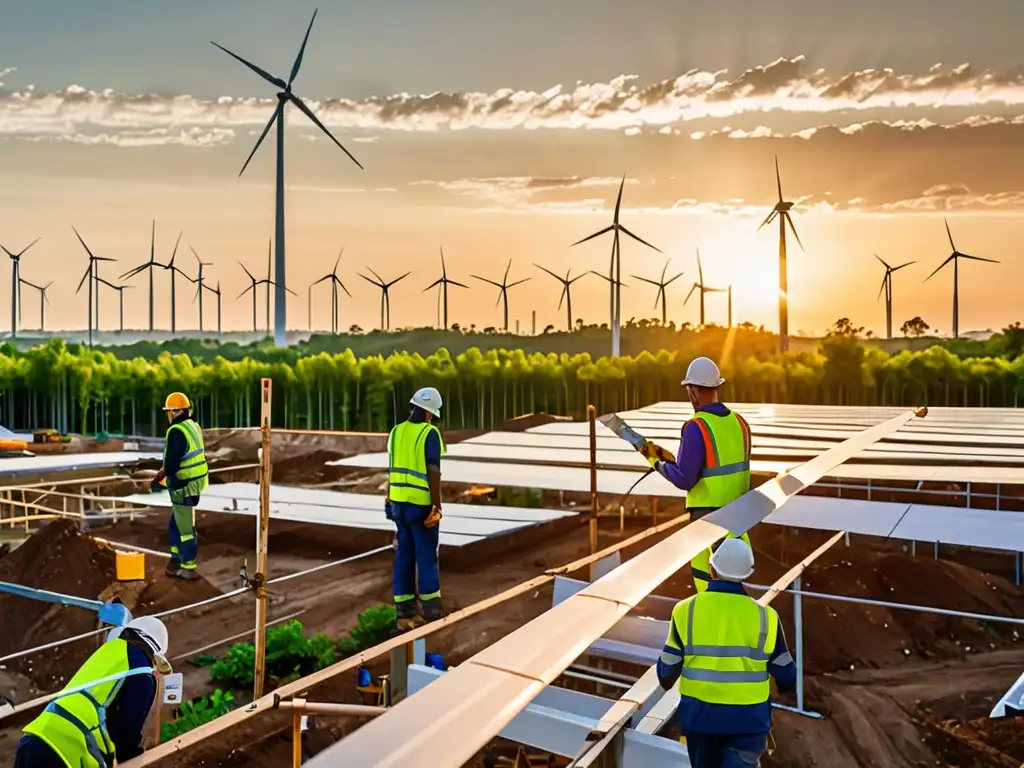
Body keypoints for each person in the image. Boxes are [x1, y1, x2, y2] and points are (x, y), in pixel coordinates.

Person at [657, 538, 795, 768]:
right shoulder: (766, 617)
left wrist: (667, 677)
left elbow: (667, 671)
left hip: (701, 719)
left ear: (711, 569)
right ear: (747, 574)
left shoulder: (685, 610)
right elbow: (787, 674)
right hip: (748, 721)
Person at [650, 357, 752, 592]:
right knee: (734, 583)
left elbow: (685, 478)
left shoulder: (696, 427)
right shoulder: (740, 423)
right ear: (716, 387)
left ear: (692, 391)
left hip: (707, 525)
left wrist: (659, 464)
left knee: (709, 588)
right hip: (739, 520)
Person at [16, 617, 170, 768]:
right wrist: (134, 758)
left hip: (34, 738)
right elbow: (127, 729)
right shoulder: (141, 673)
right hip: (65, 752)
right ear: (155, 656)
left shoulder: (107, 654)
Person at [386, 387, 446, 631]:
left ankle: (404, 610)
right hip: (421, 505)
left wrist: (388, 498)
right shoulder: (429, 433)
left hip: (399, 503)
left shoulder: (396, 431)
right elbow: (433, 471)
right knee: (426, 556)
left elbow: (391, 466)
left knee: (404, 555)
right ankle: (431, 610)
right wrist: (437, 505)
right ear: (431, 413)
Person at [152, 392, 208, 581]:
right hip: (196, 480)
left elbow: (173, 460)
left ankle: (188, 567)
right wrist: (163, 471)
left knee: (185, 528)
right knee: (175, 521)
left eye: (169, 412)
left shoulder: (176, 430)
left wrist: (166, 474)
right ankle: (176, 558)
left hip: (183, 484)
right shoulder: (193, 426)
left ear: (174, 412)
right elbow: (186, 454)